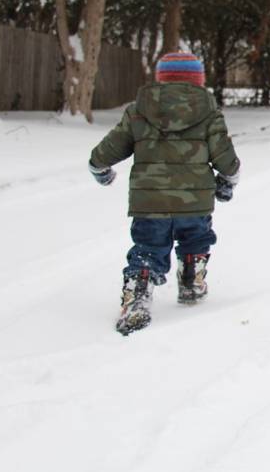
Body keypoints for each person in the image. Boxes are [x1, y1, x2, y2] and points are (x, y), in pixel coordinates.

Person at [88, 52, 241, 336]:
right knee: (196, 239)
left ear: (161, 79)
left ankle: (137, 293)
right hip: (194, 203)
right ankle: (191, 280)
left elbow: (111, 147)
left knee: (148, 247)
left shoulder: (138, 110)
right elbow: (224, 155)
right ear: (198, 80)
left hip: (150, 203)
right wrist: (228, 179)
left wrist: (100, 167)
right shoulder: (208, 112)